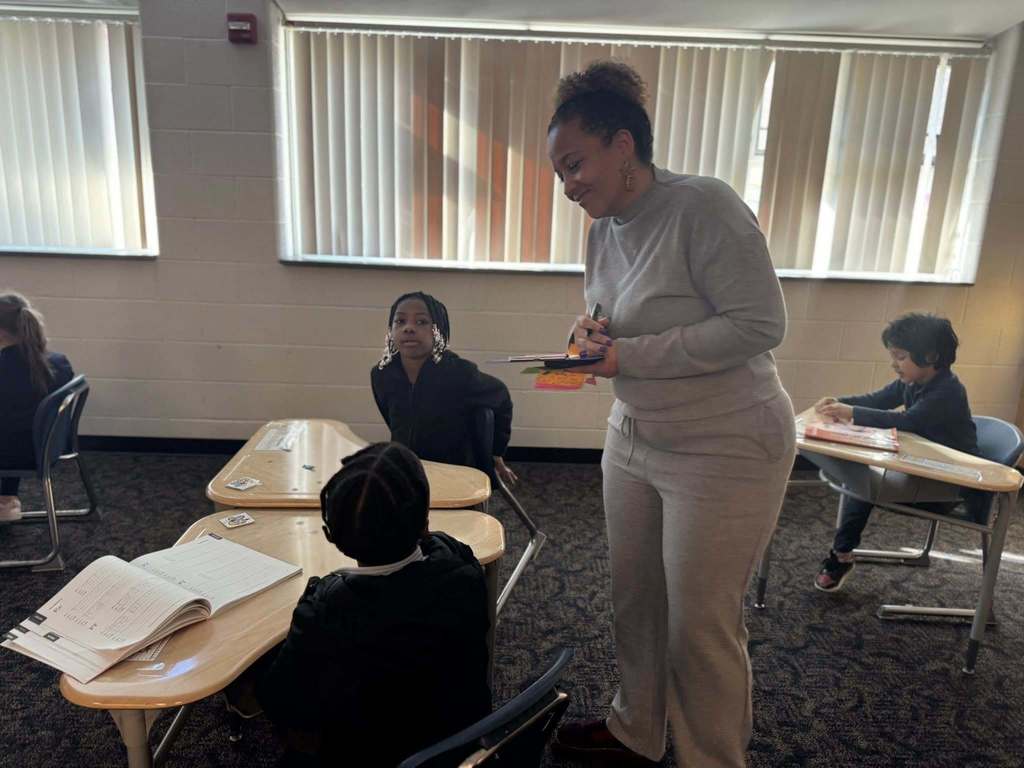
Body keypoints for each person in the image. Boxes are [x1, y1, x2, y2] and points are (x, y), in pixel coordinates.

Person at [545, 62, 795, 768]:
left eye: (575, 165)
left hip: (726, 444)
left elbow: (760, 324)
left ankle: (712, 757)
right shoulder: (603, 229)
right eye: (560, 173)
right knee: (635, 602)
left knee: (699, 627)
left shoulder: (703, 205)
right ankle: (637, 731)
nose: (568, 186)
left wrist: (629, 356)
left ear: (623, 146)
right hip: (634, 436)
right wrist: (588, 336)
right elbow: (614, 319)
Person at [255, 442, 492, 767]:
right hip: (455, 745)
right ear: (425, 522)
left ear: (332, 535)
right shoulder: (463, 568)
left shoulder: (323, 611)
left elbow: (281, 702)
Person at [812, 313, 985, 592]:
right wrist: (838, 403)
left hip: (949, 486)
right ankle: (842, 552)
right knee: (861, 479)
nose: (894, 364)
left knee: (862, 484)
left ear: (930, 356)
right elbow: (877, 400)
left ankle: (841, 555)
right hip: (921, 472)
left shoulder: (948, 391)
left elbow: (908, 421)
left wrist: (851, 412)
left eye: (900, 357)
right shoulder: (912, 382)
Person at [370, 291, 518, 486]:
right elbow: (392, 418)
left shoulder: (461, 374)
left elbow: (501, 396)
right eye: (400, 321)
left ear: (439, 331)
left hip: (453, 471)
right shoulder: (382, 374)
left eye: (421, 322)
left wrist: (496, 451)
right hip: (406, 468)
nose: (409, 328)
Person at [0, 292, 74, 522]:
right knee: (14, 423)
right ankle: (5, 499)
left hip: (17, 454)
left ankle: (5, 499)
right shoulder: (59, 362)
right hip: (46, 447)